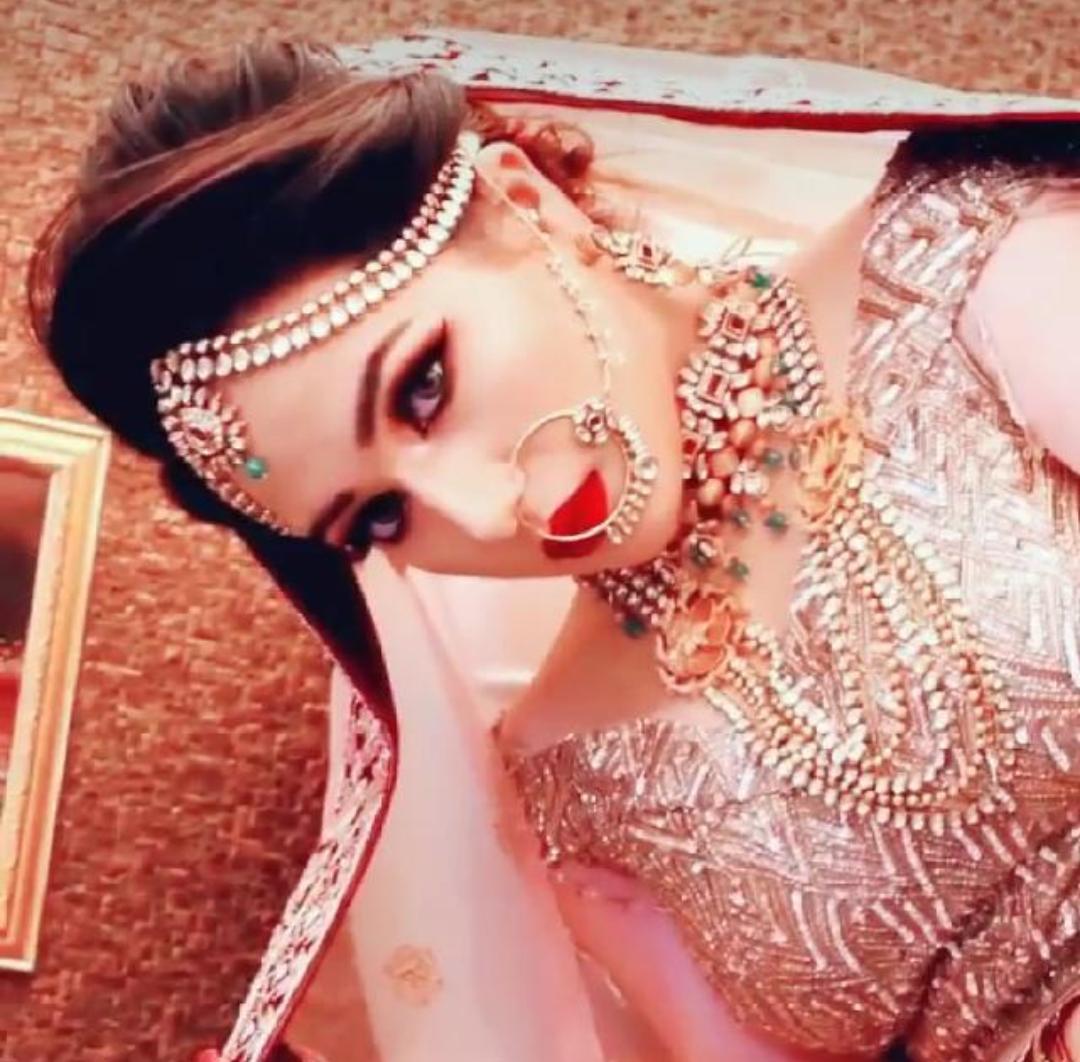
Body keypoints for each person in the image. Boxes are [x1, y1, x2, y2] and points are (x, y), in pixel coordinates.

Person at [27, 29, 1080, 1062]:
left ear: (527, 204)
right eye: (378, 518)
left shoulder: (951, 266)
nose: (481, 512)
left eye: (424, 387)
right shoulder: (571, 777)